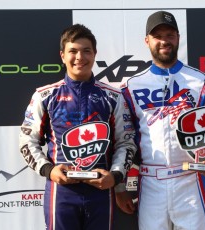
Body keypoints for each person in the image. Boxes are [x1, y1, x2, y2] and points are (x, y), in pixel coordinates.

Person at [115, 11, 205, 230]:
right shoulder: (130, 87)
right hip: (151, 181)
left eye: (169, 35)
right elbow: (123, 137)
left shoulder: (203, 83)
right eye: (157, 36)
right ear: (147, 41)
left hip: (190, 178)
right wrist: (120, 186)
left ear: (178, 37)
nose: (164, 41)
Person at [19, 24, 136, 230]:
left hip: (101, 192)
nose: (80, 57)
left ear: (95, 54)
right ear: (62, 56)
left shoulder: (113, 96)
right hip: (61, 193)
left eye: (86, 51)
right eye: (73, 51)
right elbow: (27, 141)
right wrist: (49, 170)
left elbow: (126, 143)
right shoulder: (45, 96)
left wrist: (115, 177)